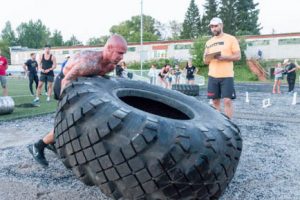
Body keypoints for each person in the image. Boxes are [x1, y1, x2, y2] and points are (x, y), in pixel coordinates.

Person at [27, 35, 127, 167]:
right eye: (120, 53)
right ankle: (38, 146)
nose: (121, 57)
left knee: (82, 120)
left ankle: (52, 142)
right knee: (71, 122)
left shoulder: (110, 67)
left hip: (80, 87)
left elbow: (97, 81)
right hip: (64, 85)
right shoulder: (88, 62)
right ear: (109, 48)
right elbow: (66, 81)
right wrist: (65, 105)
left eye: (123, 54)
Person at [203, 17, 241, 119]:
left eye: (216, 26)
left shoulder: (231, 39)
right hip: (212, 75)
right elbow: (205, 61)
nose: (214, 29)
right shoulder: (208, 42)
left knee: (227, 101)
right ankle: (220, 123)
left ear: (221, 25)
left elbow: (238, 56)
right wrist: (207, 57)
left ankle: (229, 123)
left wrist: (224, 57)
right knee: (215, 101)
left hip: (227, 75)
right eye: (212, 27)